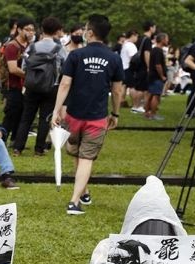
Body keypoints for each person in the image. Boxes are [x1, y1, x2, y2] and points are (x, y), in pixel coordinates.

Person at [51, 14, 123, 215]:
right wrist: (115, 113)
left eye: (85, 28)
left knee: (78, 154)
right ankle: (75, 201)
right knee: (85, 157)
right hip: (97, 117)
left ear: (90, 32)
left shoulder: (75, 55)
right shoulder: (114, 58)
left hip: (73, 114)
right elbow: (117, 91)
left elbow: (65, 84)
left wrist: (56, 110)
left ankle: (83, 192)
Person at [13, 17, 66, 157]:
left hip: (32, 86)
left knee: (26, 118)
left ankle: (18, 148)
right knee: (45, 118)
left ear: (42, 29)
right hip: (51, 87)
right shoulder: (59, 49)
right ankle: (39, 149)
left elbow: (24, 66)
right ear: (56, 31)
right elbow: (64, 68)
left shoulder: (33, 46)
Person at [0, 17, 36, 143]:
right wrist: (31, 76)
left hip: (27, 87)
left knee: (22, 115)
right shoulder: (12, 46)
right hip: (14, 87)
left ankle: (16, 140)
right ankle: (1, 140)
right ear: (19, 30)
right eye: (27, 29)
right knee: (11, 115)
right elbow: (13, 69)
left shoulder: (32, 46)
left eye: (32, 30)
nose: (30, 32)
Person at [144, 33, 169, 121]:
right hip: (156, 77)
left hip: (151, 76)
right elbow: (158, 65)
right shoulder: (158, 50)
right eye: (166, 39)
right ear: (162, 40)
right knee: (156, 96)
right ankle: (153, 114)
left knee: (150, 95)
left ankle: (147, 113)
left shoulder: (154, 49)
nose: (167, 41)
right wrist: (162, 76)